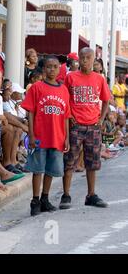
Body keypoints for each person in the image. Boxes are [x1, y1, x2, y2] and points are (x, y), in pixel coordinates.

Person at [61, 48, 110, 210]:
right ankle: (66, 194)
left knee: (92, 163)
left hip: (93, 126)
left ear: (93, 60)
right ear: (78, 60)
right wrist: (70, 117)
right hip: (76, 126)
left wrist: (101, 119)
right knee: (70, 161)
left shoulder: (99, 79)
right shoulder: (71, 77)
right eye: (82, 57)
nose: (84, 60)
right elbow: (65, 99)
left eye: (88, 58)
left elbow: (106, 100)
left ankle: (91, 195)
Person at [21, 56, 71, 216]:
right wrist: (31, 132)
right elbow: (30, 112)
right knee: (38, 169)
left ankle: (45, 198)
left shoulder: (63, 90)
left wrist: (67, 138)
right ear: (43, 69)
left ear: (59, 69)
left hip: (57, 137)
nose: (52, 70)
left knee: (50, 170)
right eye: (49, 67)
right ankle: (35, 200)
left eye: (55, 67)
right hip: (40, 136)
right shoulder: (37, 87)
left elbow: (66, 117)